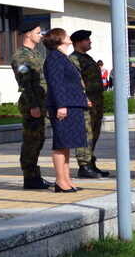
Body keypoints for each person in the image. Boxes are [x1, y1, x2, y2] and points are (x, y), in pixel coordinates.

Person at [42, 28, 89, 193]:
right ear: (59, 39)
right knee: (61, 144)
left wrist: (84, 99)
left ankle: (67, 179)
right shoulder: (54, 58)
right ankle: (60, 181)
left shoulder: (63, 57)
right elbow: (56, 84)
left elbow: (72, 83)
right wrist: (61, 105)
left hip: (72, 105)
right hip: (63, 106)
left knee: (67, 144)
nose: (69, 36)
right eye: (66, 34)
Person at [10, 21, 52, 190]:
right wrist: (33, 105)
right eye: (37, 32)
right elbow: (25, 84)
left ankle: (36, 176)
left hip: (42, 103)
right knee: (31, 141)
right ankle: (29, 177)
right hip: (32, 104)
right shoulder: (21, 57)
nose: (41, 35)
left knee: (39, 140)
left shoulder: (38, 54)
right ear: (28, 34)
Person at [69, 30, 110, 179]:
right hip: (86, 102)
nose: (90, 42)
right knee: (86, 133)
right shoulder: (74, 59)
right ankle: (84, 166)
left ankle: (90, 163)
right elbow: (75, 82)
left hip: (96, 101)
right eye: (87, 40)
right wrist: (83, 98)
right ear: (78, 42)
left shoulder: (88, 58)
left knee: (94, 134)